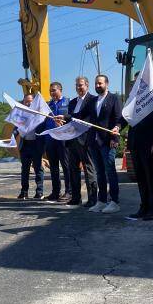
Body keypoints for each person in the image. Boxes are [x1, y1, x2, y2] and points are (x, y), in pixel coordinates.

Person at [85, 74, 124, 213]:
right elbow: (80, 115)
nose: (97, 86)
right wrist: (66, 117)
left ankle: (114, 201)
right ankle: (101, 201)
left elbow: (119, 119)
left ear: (107, 84)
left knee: (110, 172)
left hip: (108, 141)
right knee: (99, 172)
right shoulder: (92, 101)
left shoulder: (114, 99)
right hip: (94, 142)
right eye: (96, 83)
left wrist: (115, 137)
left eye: (100, 83)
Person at [127, 93, 153, 221]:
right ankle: (144, 207)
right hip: (135, 143)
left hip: (149, 143)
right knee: (141, 178)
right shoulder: (133, 100)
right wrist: (118, 125)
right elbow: (125, 116)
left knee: (151, 178)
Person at [62, 76, 98, 207]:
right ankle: (76, 197)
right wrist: (63, 121)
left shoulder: (92, 100)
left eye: (81, 85)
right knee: (73, 170)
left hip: (85, 140)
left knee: (89, 169)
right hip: (72, 140)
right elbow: (69, 121)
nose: (79, 88)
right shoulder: (71, 102)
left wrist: (69, 117)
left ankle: (93, 198)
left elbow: (86, 119)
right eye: (77, 85)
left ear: (87, 85)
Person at [44, 81, 71, 201]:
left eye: (54, 90)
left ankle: (69, 191)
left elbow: (72, 119)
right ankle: (56, 192)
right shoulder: (47, 105)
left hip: (63, 139)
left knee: (66, 166)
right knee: (53, 167)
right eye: (50, 91)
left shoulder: (68, 103)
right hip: (50, 140)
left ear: (60, 90)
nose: (52, 93)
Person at [16, 93, 45, 200]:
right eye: (26, 102)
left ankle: (39, 192)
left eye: (30, 101)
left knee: (38, 169)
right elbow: (16, 129)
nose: (28, 103)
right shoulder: (20, 115)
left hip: (36, 145)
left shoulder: (39, 115)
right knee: (25, 169)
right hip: (25, 145)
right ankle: (24, 192)